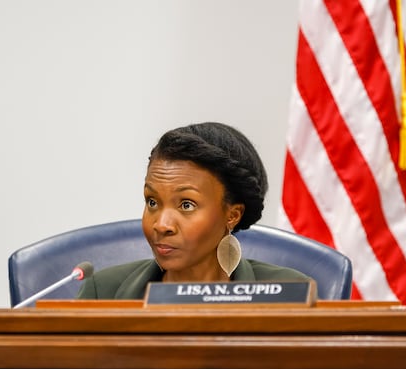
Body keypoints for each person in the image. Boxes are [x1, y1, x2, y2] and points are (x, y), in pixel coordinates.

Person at [76, 122, 312, 299]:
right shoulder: (103, 290)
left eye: (186, 205)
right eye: (152, 202)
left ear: (232, 215)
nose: (161, 224)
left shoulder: (287, 291)